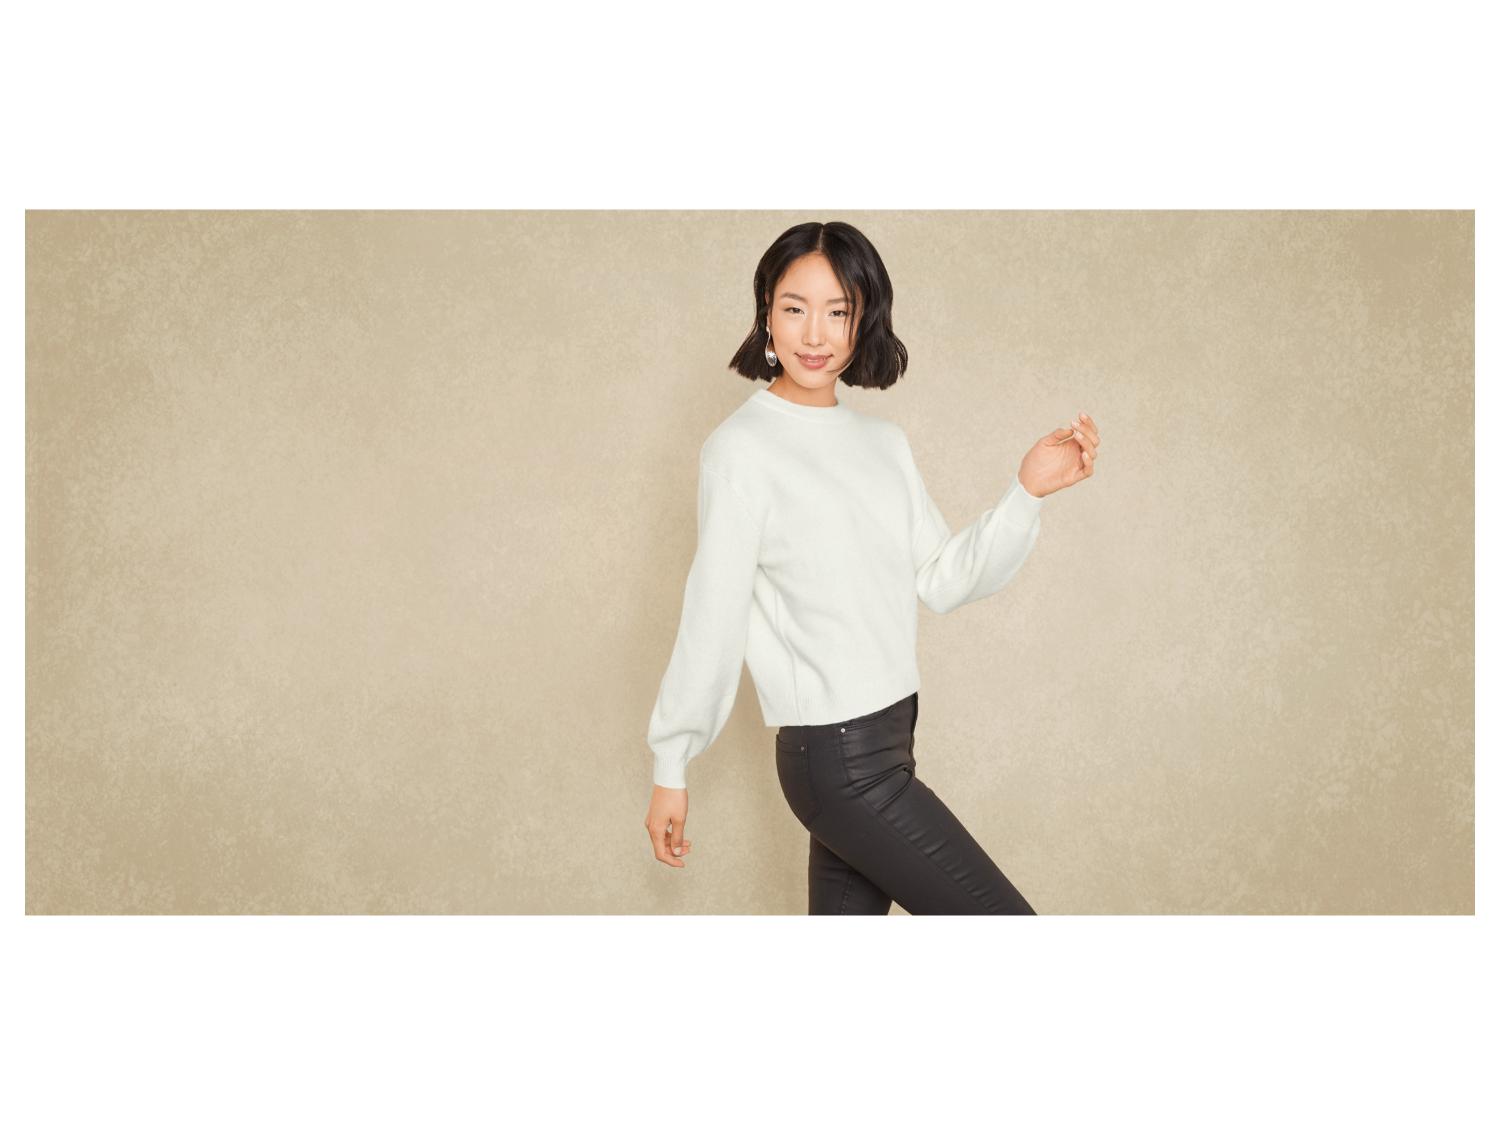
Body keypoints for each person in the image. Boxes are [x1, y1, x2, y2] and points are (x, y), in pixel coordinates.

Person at [642, 221, 1100, 914]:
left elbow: (942, 578)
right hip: (838, 761)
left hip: (891, 741)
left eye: (839, 311)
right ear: (766, 313)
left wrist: (1026, 491)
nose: (815, 334)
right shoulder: (740, 450)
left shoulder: (884, 444)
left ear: (865, 321)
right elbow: (713, 613)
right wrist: (671, 762)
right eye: (795, 308)